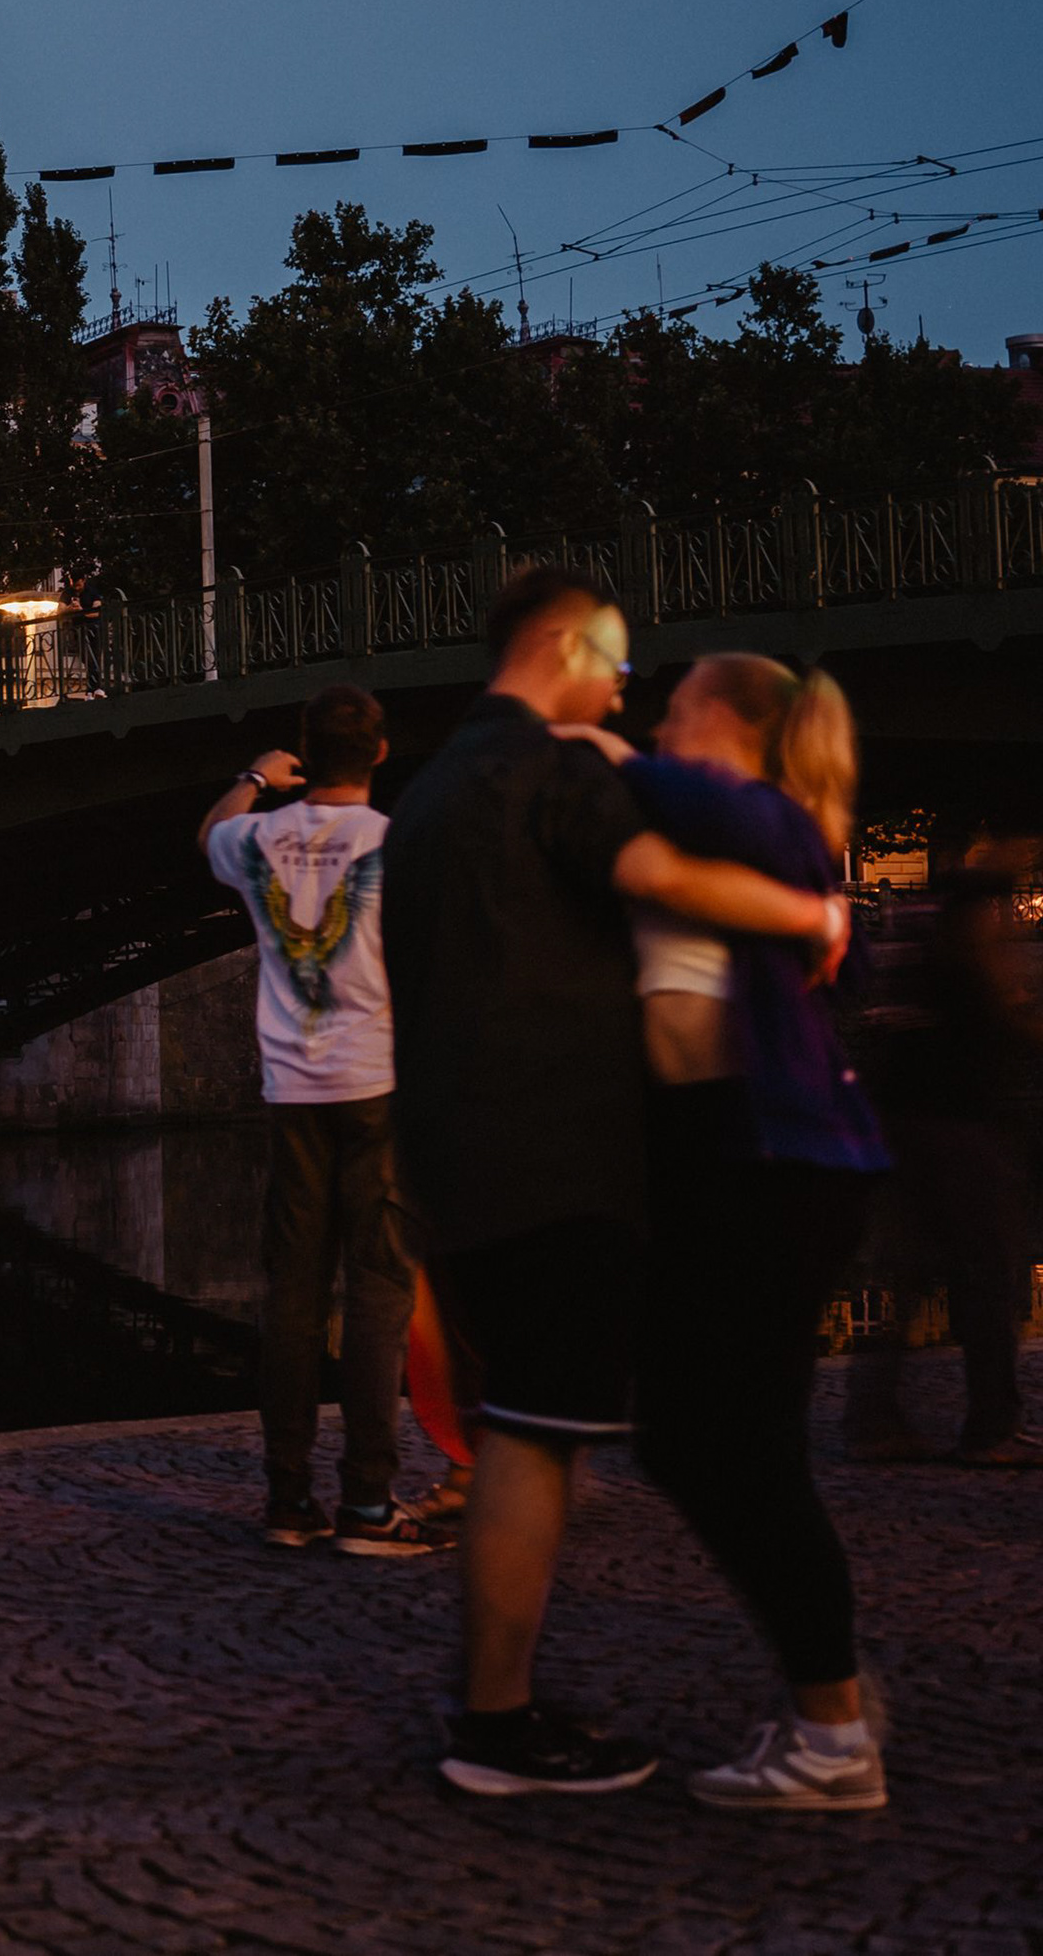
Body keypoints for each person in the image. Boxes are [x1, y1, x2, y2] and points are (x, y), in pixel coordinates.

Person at [383, 565, 854, 1800]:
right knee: (544, 1435)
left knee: (554, 1424)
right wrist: (811, 917)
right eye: (619, 665)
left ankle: (507, 1710)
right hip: (559, 1156)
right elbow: (657, 874)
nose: (627, 693)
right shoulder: (552, 771)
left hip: (456, 1151)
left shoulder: (426, 790)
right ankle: (500, 1725)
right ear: (566, 645)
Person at [568, 655, 891, 1812]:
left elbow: (674, 798)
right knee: (697, 1441)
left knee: (734, 1450)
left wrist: (597, 745)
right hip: (730, 1157)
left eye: (677, 708)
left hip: (772, 1158)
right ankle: (828, 1694)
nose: (658, 724)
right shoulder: (735, 833)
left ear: (731, 724)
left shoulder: (768, 815)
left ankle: (833, 1729)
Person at [197, 684, 448, 1558]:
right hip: (375, 1087)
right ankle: (369, 1503)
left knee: (293, 1299)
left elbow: (208, 833)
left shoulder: (257, 838)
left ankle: (288, 1498)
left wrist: (253, 778)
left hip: (290, 1095)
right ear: (379, 752)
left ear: (303, 755)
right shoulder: (396, 844)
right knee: (378, 1294)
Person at [847, 831, 1042, 1464]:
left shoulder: (923, 913)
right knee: (987, 1273)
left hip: (906, 1116)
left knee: (910, 1274)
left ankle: (872, 1421)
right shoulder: (972, 918)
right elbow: (996, 1007)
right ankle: (992, 1427)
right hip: (957, 1119)